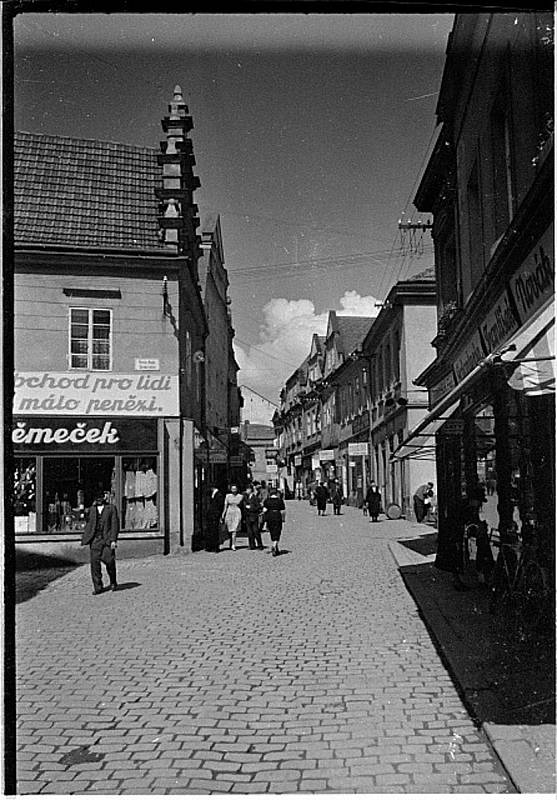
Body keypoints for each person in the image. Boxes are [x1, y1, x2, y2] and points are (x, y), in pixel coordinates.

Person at [81, 494, 119, 595]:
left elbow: (115, 524)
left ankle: (113, 581)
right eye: (96, 498)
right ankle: (98, 586)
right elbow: (88, 522)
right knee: (95, 564)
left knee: (110, 561)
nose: (98, 500)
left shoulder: (111, 508)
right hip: (95, 540)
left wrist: (113, 540)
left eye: (100, 498)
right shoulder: (92, 509)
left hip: (107, 539)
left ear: (105, 498)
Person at [263, 485, 286, 556]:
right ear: (276, 493)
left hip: (270, 516)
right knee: (278, 530)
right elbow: (283, 510)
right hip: (277, 515)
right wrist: (283, 519)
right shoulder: (280, 501)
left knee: (272, 530)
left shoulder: (267, 501)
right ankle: (274, 544)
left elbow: (264, 510)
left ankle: (275, 545)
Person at [221, 484, 244, 551]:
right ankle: (230, 542)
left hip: (237, 512)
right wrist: (223, 514)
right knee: (229, 529)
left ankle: (233, 545)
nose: (234, 490)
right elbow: (225, 506)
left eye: (235, 489)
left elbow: (243, 506)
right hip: (229, 512)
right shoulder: (228, 496)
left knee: (234, 529)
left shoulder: (240, 496)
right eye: (232, 489)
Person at [244, 485, 264, 550]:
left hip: (254, 516)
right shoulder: (246, 497)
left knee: (256, 531)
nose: (246, 491)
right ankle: (251, 545)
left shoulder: (255, 498)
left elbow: (258, 507)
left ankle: (260, 545)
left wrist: (251, 508)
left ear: (250, 490)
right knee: (249, 532)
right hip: (247, 516)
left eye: (247, 489)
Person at [205, 485, 225, 553]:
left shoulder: (219, 495)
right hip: (211, 516)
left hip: (215, 516)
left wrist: (217, 515)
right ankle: (211, 546)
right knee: (211, 531)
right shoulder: (213, 494)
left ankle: (215, 547)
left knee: (215, 532)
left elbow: (220, 506)